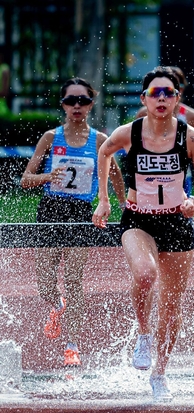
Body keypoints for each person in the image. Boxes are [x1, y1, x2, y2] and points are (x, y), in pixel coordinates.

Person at [92, 66, 194, 400]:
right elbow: (104, 152)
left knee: (171, 307)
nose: (161, 99)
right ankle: (144, 335)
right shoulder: (129, 133)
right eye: (155, 93)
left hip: (176, 222)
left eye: (168, 93)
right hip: (138, 219)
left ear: (177, 99)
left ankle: (160, 373)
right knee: (145, 274)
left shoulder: (190, 136)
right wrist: (104, 200)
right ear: (143, 98)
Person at [21, 77, 126, 367]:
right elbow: (25, 179)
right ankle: (58, 305)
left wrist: (122, 204)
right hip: (50, 211)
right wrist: (47, 176)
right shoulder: (50, 138)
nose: (77, 106)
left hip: (81, 213)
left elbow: (115, 174)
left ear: (91, 104)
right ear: (63, 105)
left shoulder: (100, 140)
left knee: (74, 279)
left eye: (83, 100)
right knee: (45, 283)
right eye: (71, 101)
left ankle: (72, 345)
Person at [135, 66, 194, 196]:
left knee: (182, 208)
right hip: (149, 174)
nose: (163, 95)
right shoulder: (143, 114)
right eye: (158, 90)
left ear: (180, 91)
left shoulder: (191, 116)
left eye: (170, 90)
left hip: (180, 175)